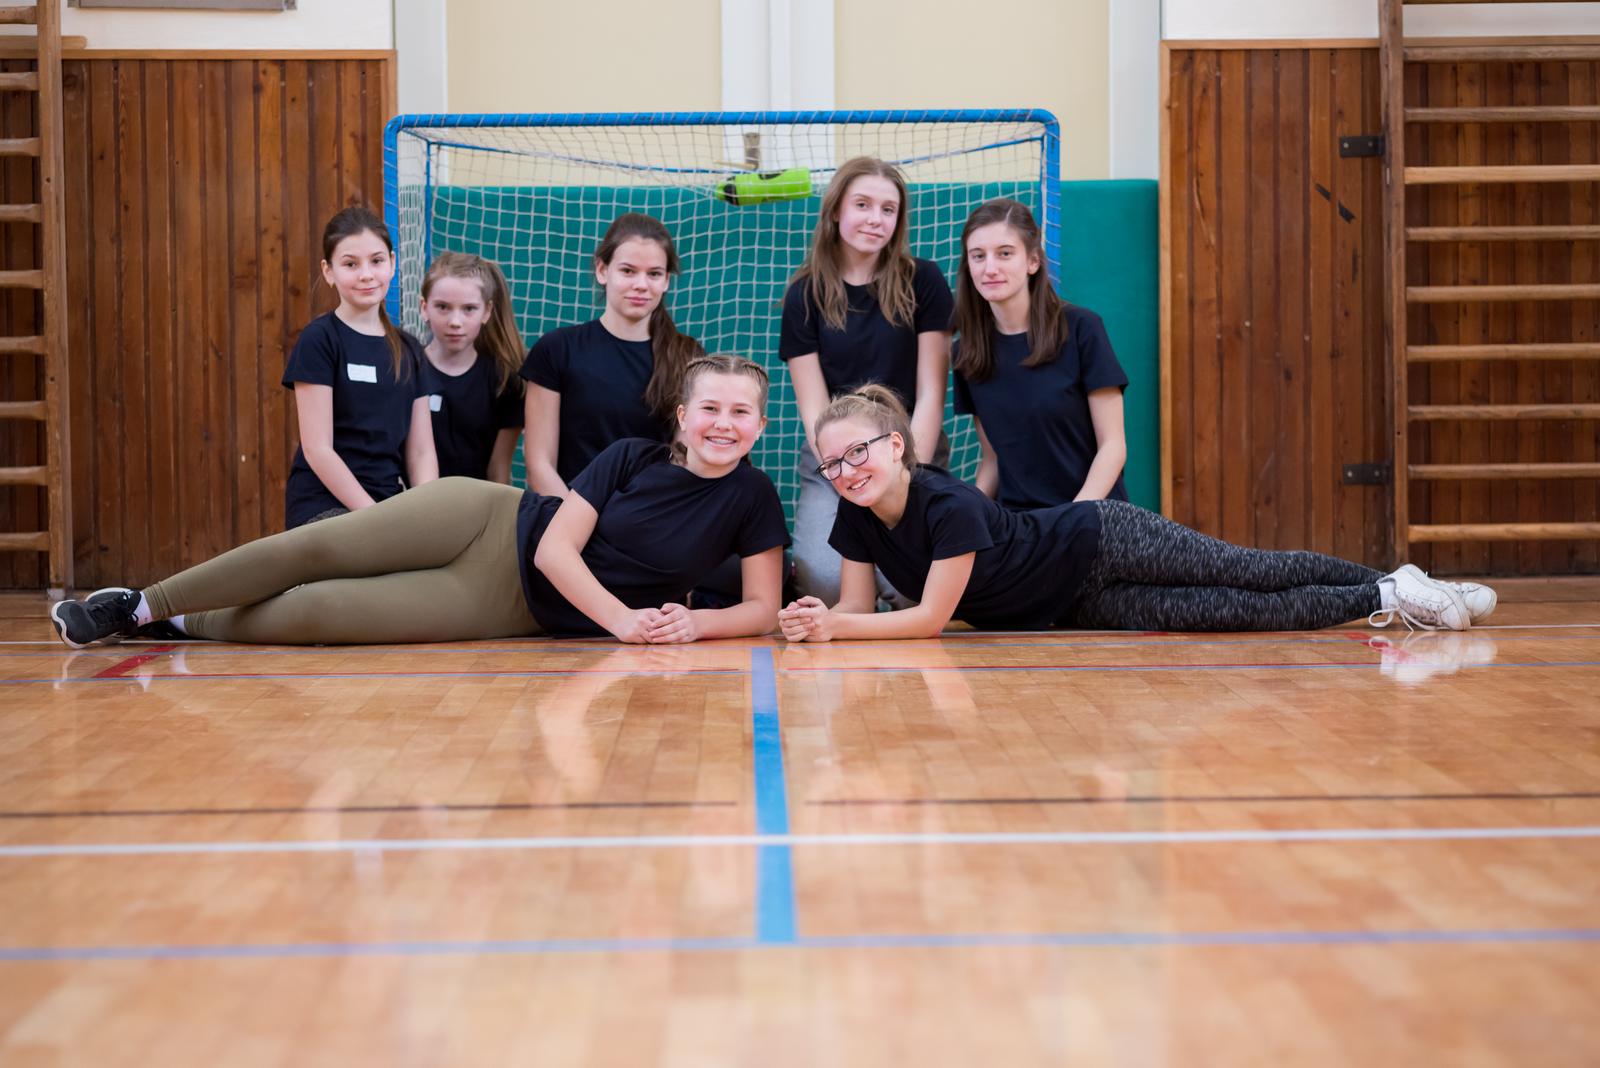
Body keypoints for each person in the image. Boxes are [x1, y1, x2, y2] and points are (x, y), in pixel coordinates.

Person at [50, 357, 787, 648]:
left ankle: (184, 622)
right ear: (682, 416)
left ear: (761, 425)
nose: (723, 424)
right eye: (709, 408)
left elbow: (761, 607)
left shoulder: (754, 500)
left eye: (740, 413)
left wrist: (697, 622)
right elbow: (555, 548)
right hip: (488, 518)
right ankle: (136, 605)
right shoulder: (630, 455)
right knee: (321, 546)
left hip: (510, 605)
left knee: (320, 613)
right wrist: (622, 620)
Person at [777, 385, 1496, 642]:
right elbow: (860, 609)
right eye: (831, 463)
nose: (846, 472)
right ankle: (1390, 594)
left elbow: (932, 620)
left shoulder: (948, 504)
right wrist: (821, 618)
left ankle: (1402, 582)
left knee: (1250, 571)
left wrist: (836, 628)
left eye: (858, 453)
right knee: (1236, 614)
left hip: (1098, 539)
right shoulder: (854, 514)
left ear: (895, 445)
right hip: (1072, 606)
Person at [779, 156, 953, 603]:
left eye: (888, 209)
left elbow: (932, 393)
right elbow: (813, 407)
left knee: (910, 585)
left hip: (908, 449)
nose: (876, 219)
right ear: (836, 210)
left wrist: (903, 470)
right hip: (833, 456)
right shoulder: (804, 295)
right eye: (863, 204)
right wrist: (845, 468)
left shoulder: (924, 280)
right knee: (825, 583)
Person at [952, 197, 1128, 509]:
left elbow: (1113, 447)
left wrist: (1072, 518)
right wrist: (969, 512)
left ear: (1033, 261)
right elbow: (993, 460)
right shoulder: (968, 352)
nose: (990, 268)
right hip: (1019, 525)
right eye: (978, 256)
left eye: (1005, 253)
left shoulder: (1081, 329)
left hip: (1090, 517)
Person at [520, 213, 704, 495]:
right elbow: (539, 465)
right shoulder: (557, 349)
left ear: (666, 280)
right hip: (566, 515)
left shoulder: (687, 356)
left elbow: (684, 460)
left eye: (654, 273)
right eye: (628, 271)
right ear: (602, 270)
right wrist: (576, 518)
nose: (641, 284)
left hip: (650, 513)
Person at [283, 205, 437, 527]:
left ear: (392, 263)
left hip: (388, 504)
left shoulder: (409, 350)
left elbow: (421, 452)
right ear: (329, 271)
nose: (366, 274)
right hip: (325, 504)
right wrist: (374, 518)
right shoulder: (320, 340)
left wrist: (425, 514)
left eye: (376, 261)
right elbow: (318, 449)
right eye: (351, 264)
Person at [417, 252, 526, 483]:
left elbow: (499, 469)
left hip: (477, 502)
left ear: (486, 311)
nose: (455, 322)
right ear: (424, 307)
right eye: (443, 307)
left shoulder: (504, 379)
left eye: (469, 309)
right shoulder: (406, 370)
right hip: (414, 501)